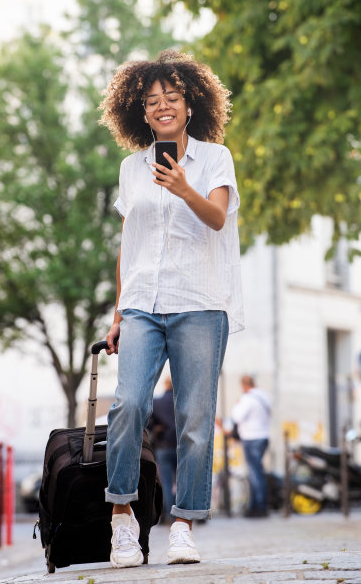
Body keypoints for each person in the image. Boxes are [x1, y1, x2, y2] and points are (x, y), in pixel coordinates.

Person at [100, 49, 244, 568]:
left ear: (190, 106)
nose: (163, 106)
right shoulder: (130, 168)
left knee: (194, 418)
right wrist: (118, 313)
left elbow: (217, 217)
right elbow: (128, 241)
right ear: (140, 111)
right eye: (153, 100)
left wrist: (184, 187)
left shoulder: (214, 158)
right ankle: (121, 517)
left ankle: (183, 525)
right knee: (128, 406)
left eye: (173, 98)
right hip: (141, 304)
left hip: (200, 302)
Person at [231, 375, 271, 518]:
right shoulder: (264, 396)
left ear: (243, 385)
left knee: (255, 473)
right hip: (264, 436)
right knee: (257, 471)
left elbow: (236, 417)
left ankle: (259, 507)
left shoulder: (247, 399)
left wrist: (237, 404)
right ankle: (257, 505)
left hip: (251, 438)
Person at [148, 376, 177, 524]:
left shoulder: (156, 403)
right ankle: (186, 515)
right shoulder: (182, 401)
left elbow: (149, 424)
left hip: (163, 446)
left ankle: (170, 515)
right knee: (183, 482)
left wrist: (157, 428)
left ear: (165, 385)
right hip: (182, 447)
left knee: (166, 482)